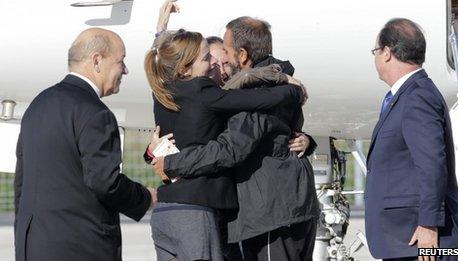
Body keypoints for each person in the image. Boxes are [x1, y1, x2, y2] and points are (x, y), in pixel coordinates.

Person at [154, 16, 319, 261]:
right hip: (281, 208)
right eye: (209, 58)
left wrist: (172, 163)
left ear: (242, 55)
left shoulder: (256, 93)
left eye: (225, 53)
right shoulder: (268, 84)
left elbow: (230, 148)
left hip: (271, 213)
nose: (217, 63)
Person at [14, 28, 155, 261]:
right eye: (121, 61)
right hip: (81, 247)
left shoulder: (37, 105)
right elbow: (104, 183)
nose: (126, 70)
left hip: (34, 248)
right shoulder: (95, 113)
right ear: (97, 60)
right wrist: (145, 197)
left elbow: (22, 185)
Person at [366, 18, 458, 260]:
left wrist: (429, 225)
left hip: (422, 241)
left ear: (387, 53)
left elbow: (432, 164)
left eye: (375, 51)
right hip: (404, 239)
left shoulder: (417, 96)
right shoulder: (404, 95)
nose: (375, 57)